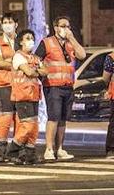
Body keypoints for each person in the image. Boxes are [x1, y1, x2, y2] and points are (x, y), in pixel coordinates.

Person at [34, 16, 86, 161]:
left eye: (68, 26)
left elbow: (82, 54)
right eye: (63, 26)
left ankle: (60, 149)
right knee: (54, 117)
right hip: (53, 86)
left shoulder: (70, 44)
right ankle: (49, 149)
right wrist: (42, 74)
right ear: (55, 27)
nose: (66, 29)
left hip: (68, 86)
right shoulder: (47, 42)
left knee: (63, 118)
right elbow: (36, 59)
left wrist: (72, 39)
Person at [6, 29, 48, 165]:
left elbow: (45, 71)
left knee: (34, 127)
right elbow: (29, 72)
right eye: (27, 38)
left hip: (34, 96)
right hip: (22, 96)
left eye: (32, 38)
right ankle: (12, 150)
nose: (31, 41)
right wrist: (37, 71)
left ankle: (30, 154)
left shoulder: (35, 57)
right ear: (21, 42)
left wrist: (36, 71)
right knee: (27, 126)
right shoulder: (18, 56)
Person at [0, 13, 18, 162]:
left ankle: (16, 150)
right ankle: (0, 151)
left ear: (16, 24)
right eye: (5, 22)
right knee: (5, 119)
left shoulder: (21, 41)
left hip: (20, 85)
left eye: (10, 22)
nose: (7, 25)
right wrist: (18, 64)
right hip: (4, 86)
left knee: (20, 120)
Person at [101, 51, 114, 158]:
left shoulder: (111, 57)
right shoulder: (111, 57)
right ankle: (110, 149)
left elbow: (106, 78)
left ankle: (111, 150)